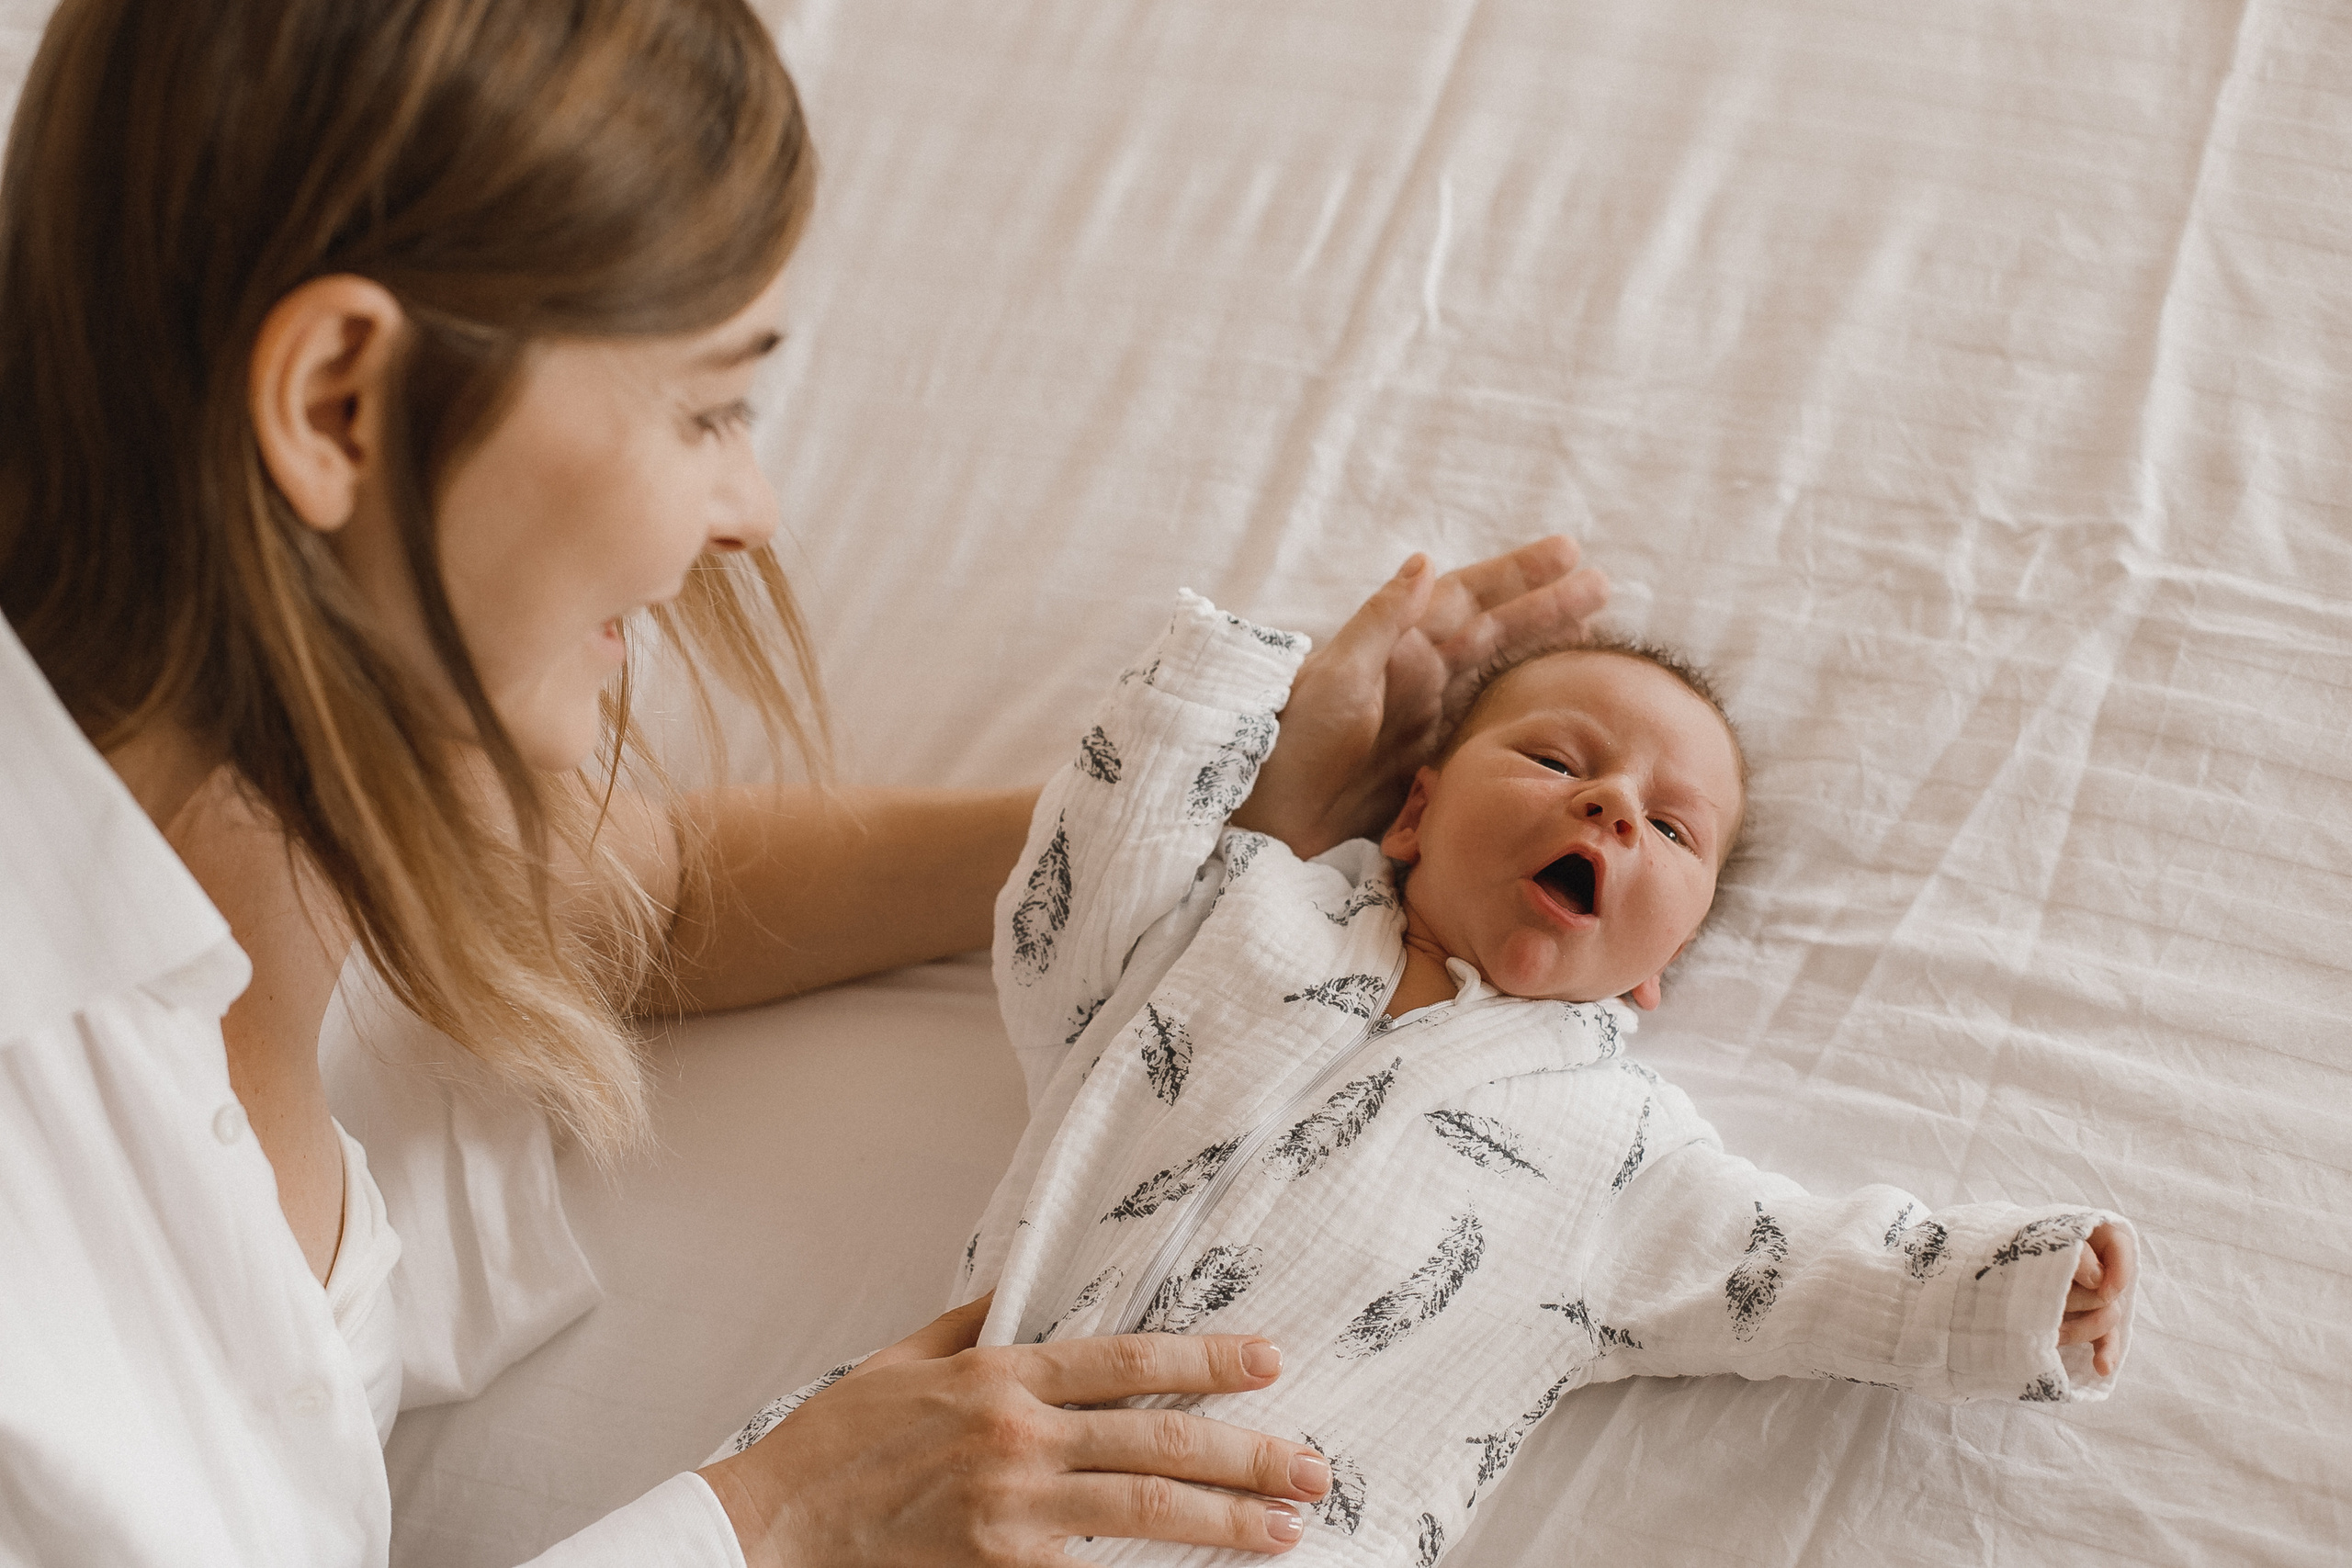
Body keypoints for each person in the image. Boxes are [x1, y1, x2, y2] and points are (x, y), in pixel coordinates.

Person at [0, 2, 1614, 1562]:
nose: (752, 508)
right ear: (338, 401)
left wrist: (1212, 834)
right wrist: (771, 1523)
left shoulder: (252, 775)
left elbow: (663, 890)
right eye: (707, 406)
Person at [718, 587, 2140, 1565]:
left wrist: (2020, 1285)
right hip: (928, 1478)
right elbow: (1073, 898)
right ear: (1415, 810)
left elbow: (1803, 1267)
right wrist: (1218, 688)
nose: (1611, 806)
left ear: (1665, 967)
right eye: (1559, 757)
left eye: (1672, 826)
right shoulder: (1233, 923)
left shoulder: (1628, 1159)